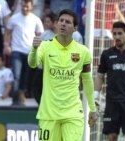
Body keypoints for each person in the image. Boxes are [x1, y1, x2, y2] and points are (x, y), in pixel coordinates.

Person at [28, 9, 98, 140]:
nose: (63, 24)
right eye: (61, 21)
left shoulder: (83, 52)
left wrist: (92, 109)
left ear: (75, 28)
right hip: (48, 115)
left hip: (73, 114)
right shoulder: (45, 46)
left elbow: (88, 81)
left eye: (67, 22)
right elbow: (33, 63)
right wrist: (34, 49)